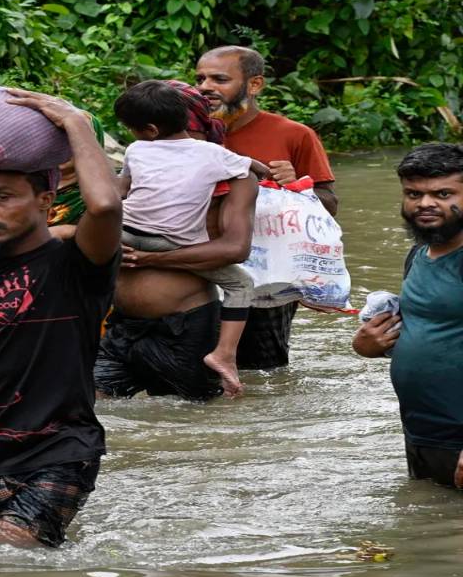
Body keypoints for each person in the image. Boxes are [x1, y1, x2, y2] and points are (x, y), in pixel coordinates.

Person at [0, 88, 121, 546]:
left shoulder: (73, 266)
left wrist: (75, 120)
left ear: (45, 199)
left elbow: (104, 207)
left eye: (2, 197)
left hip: (55, 453)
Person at [95, 84, 258, 402]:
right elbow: (116, 194)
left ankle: (224, 355)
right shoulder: (209, 159)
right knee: (92, 404)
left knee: (196, 416)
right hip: (122, 325)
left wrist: (147, 259)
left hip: (183, 330)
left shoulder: (235, 180)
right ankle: (225, 354)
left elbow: (235, 249)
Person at [196, 45, 338, 370]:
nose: (205, 87)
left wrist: (296, 187)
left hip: (267, 276)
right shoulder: (190, 133)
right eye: (200, 78)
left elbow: (329, 205)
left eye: (219, 79)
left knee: (262, 372)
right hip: (197, 263)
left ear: (254, 84)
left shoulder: (294, 135)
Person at [353, 143, 463, 489]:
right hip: (423, 432)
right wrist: (368, 344)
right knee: (432, 532)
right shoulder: (419, 253)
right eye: (413, 193)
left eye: (443, 193)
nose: (425, 203)